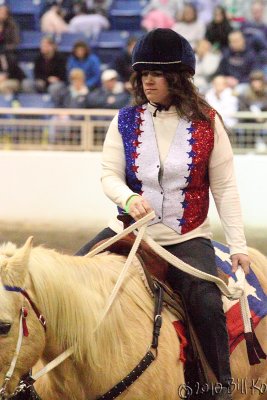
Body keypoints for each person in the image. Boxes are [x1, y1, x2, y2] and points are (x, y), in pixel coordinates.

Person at [76, 28, 250, 400]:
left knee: (204, 300)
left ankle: (217, 386)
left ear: (177, 78)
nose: (147, 80)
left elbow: (225, 188)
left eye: (156, 73)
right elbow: (108, 174)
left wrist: (239, 245)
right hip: (128, 230)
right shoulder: (124, 120)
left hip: (185, 238)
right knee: (69, 280)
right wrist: (127, 199)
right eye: (143, 73)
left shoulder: (208, 122)